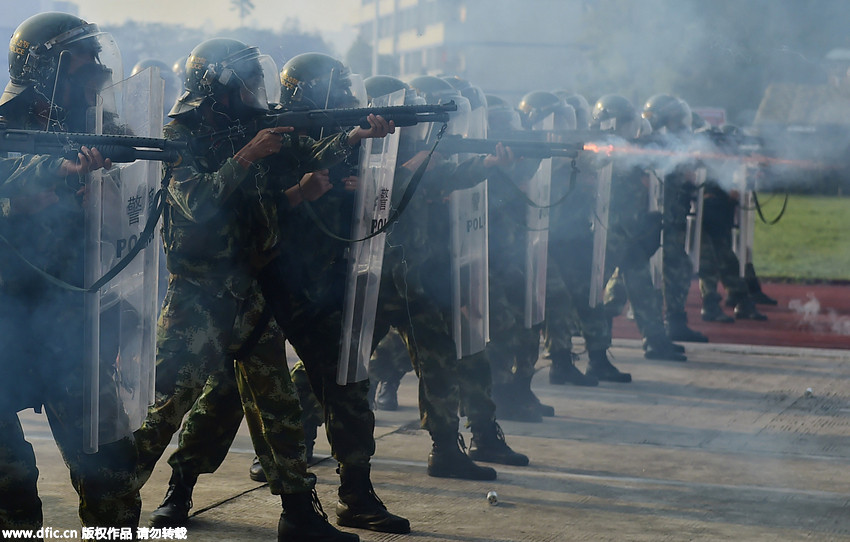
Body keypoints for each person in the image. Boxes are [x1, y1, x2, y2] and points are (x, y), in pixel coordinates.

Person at [130, 38, 391, 542]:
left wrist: (353, 137)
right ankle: (116, 496)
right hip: (200, 294)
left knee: (277, 405)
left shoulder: (247, 126)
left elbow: (304, 156)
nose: (257, 90)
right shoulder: (181, 133)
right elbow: (197, 202)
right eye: (248, 80)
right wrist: (248, 156)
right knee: (169, 405)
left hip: (250, 284)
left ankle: (299, 511)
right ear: (219, 87)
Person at [0, 12, 141, 531]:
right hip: (4, 320)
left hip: (66, 321)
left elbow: (130, 151)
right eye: (81, 56)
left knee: (110, 469)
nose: (95, 65)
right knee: (9, 483)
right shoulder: (3, 124)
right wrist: (44, 181)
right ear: (42, 65)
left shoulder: (86, 120)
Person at [369, 74, 529, 480]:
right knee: (332, 364)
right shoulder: (361, 149)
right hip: (370, 281)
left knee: (440, 358)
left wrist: (490, 163)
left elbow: (448, 178)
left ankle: (445, 447)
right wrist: (413, 167)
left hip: (414, 279)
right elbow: (369, 191)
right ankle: (289, 443)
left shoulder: (417, 151)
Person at [523, 91, 633, 384]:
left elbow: (591, 166)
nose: (564, 124)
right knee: (557, 301)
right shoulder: (532, 147)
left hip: (571, 237)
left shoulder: (572, 147)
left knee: (589, 296)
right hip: (543, 240)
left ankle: (597, 359)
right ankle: (560, 363)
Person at [589, 94, 686, 361]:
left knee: (642, 289)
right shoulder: (601, 150)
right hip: (610, 233)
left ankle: (655, 341)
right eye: (626, 124)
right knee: (595, 294)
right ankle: (596, 357)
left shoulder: (626, 147)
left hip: (629, 233)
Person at [642, 94, 709, 343]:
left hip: (670, 218)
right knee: (631, 267)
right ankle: (597, 319)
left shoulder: (666, 145)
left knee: (677, 266)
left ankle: (674, 322)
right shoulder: (650, 146)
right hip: (652, 219)